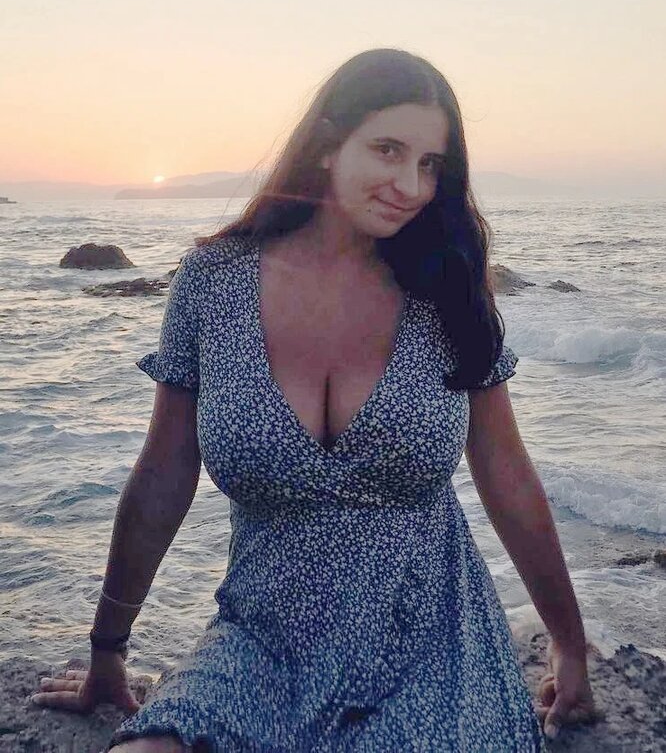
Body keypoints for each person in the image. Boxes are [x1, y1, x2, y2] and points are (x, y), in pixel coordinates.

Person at [31, 49, 600, 751]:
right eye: (388, 150)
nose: (411, 185)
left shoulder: (448, 286)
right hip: (260, 640)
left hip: (432, 644)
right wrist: (107, 652)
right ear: (328, 143)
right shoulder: (213, 282)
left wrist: (569, 646)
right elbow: (163, 474)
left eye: (431, 164)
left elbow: (507, 475)